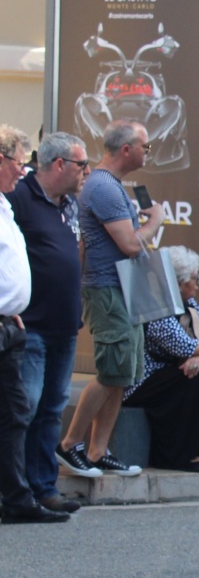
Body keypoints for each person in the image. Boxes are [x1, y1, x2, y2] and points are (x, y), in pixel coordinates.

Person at [56, 119, 163, 478]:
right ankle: (70, 445)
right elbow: (131, 244)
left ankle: (99, 450)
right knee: (110, 371)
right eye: (145, 146)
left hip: (122, 289)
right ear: (127, 149)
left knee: (122, 374)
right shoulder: (102, 187)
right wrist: (156, 221)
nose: (148, 153)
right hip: (108, 288)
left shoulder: (110, 185)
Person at [7, 131, 89, 513]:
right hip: (33, 326)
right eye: (81, 164)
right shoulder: (20, 198)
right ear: (59, 164)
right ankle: (18, 489)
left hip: (63, 326)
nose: (86, 171)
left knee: (52, 407)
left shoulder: (67, 204)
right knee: (27, 407)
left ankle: (44, 488)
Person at [0, 124, 68, 524]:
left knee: (15, 414)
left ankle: (18, 498)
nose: (22, 172)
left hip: (10, 324)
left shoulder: (6, 205)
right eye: (17, 163)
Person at [123, 246, 199, 471]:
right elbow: (182, 346)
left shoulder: (189, 303)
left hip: (175, 369)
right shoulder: (156, 304)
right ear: (178, 282)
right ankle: (178, 454)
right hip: (145, 379)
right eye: (195, 278)